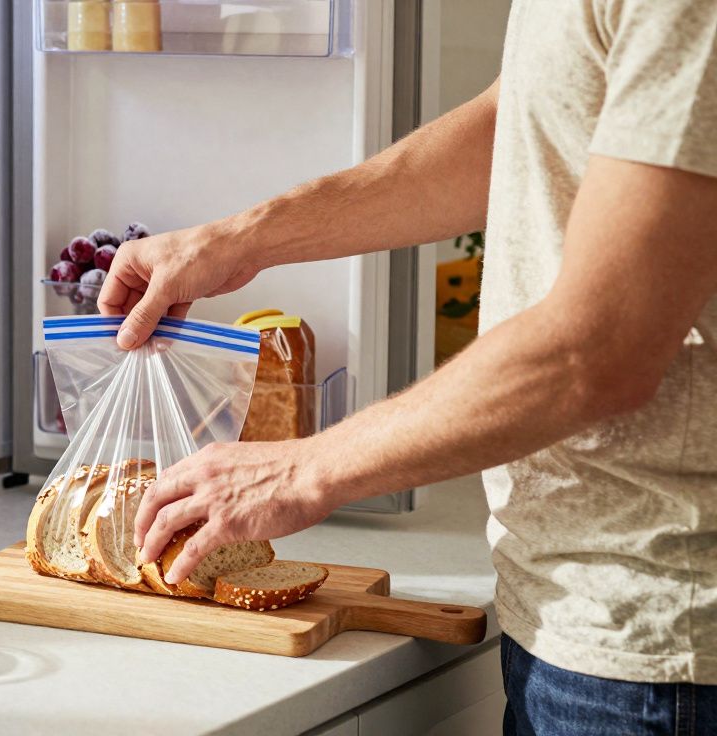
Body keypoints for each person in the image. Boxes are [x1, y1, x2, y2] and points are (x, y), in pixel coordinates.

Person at [101, 2, 717, 733]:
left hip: (664, 639)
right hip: (568, 599)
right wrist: (242, 239)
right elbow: (520, 122)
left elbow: (600, 350)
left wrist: (303, 469)